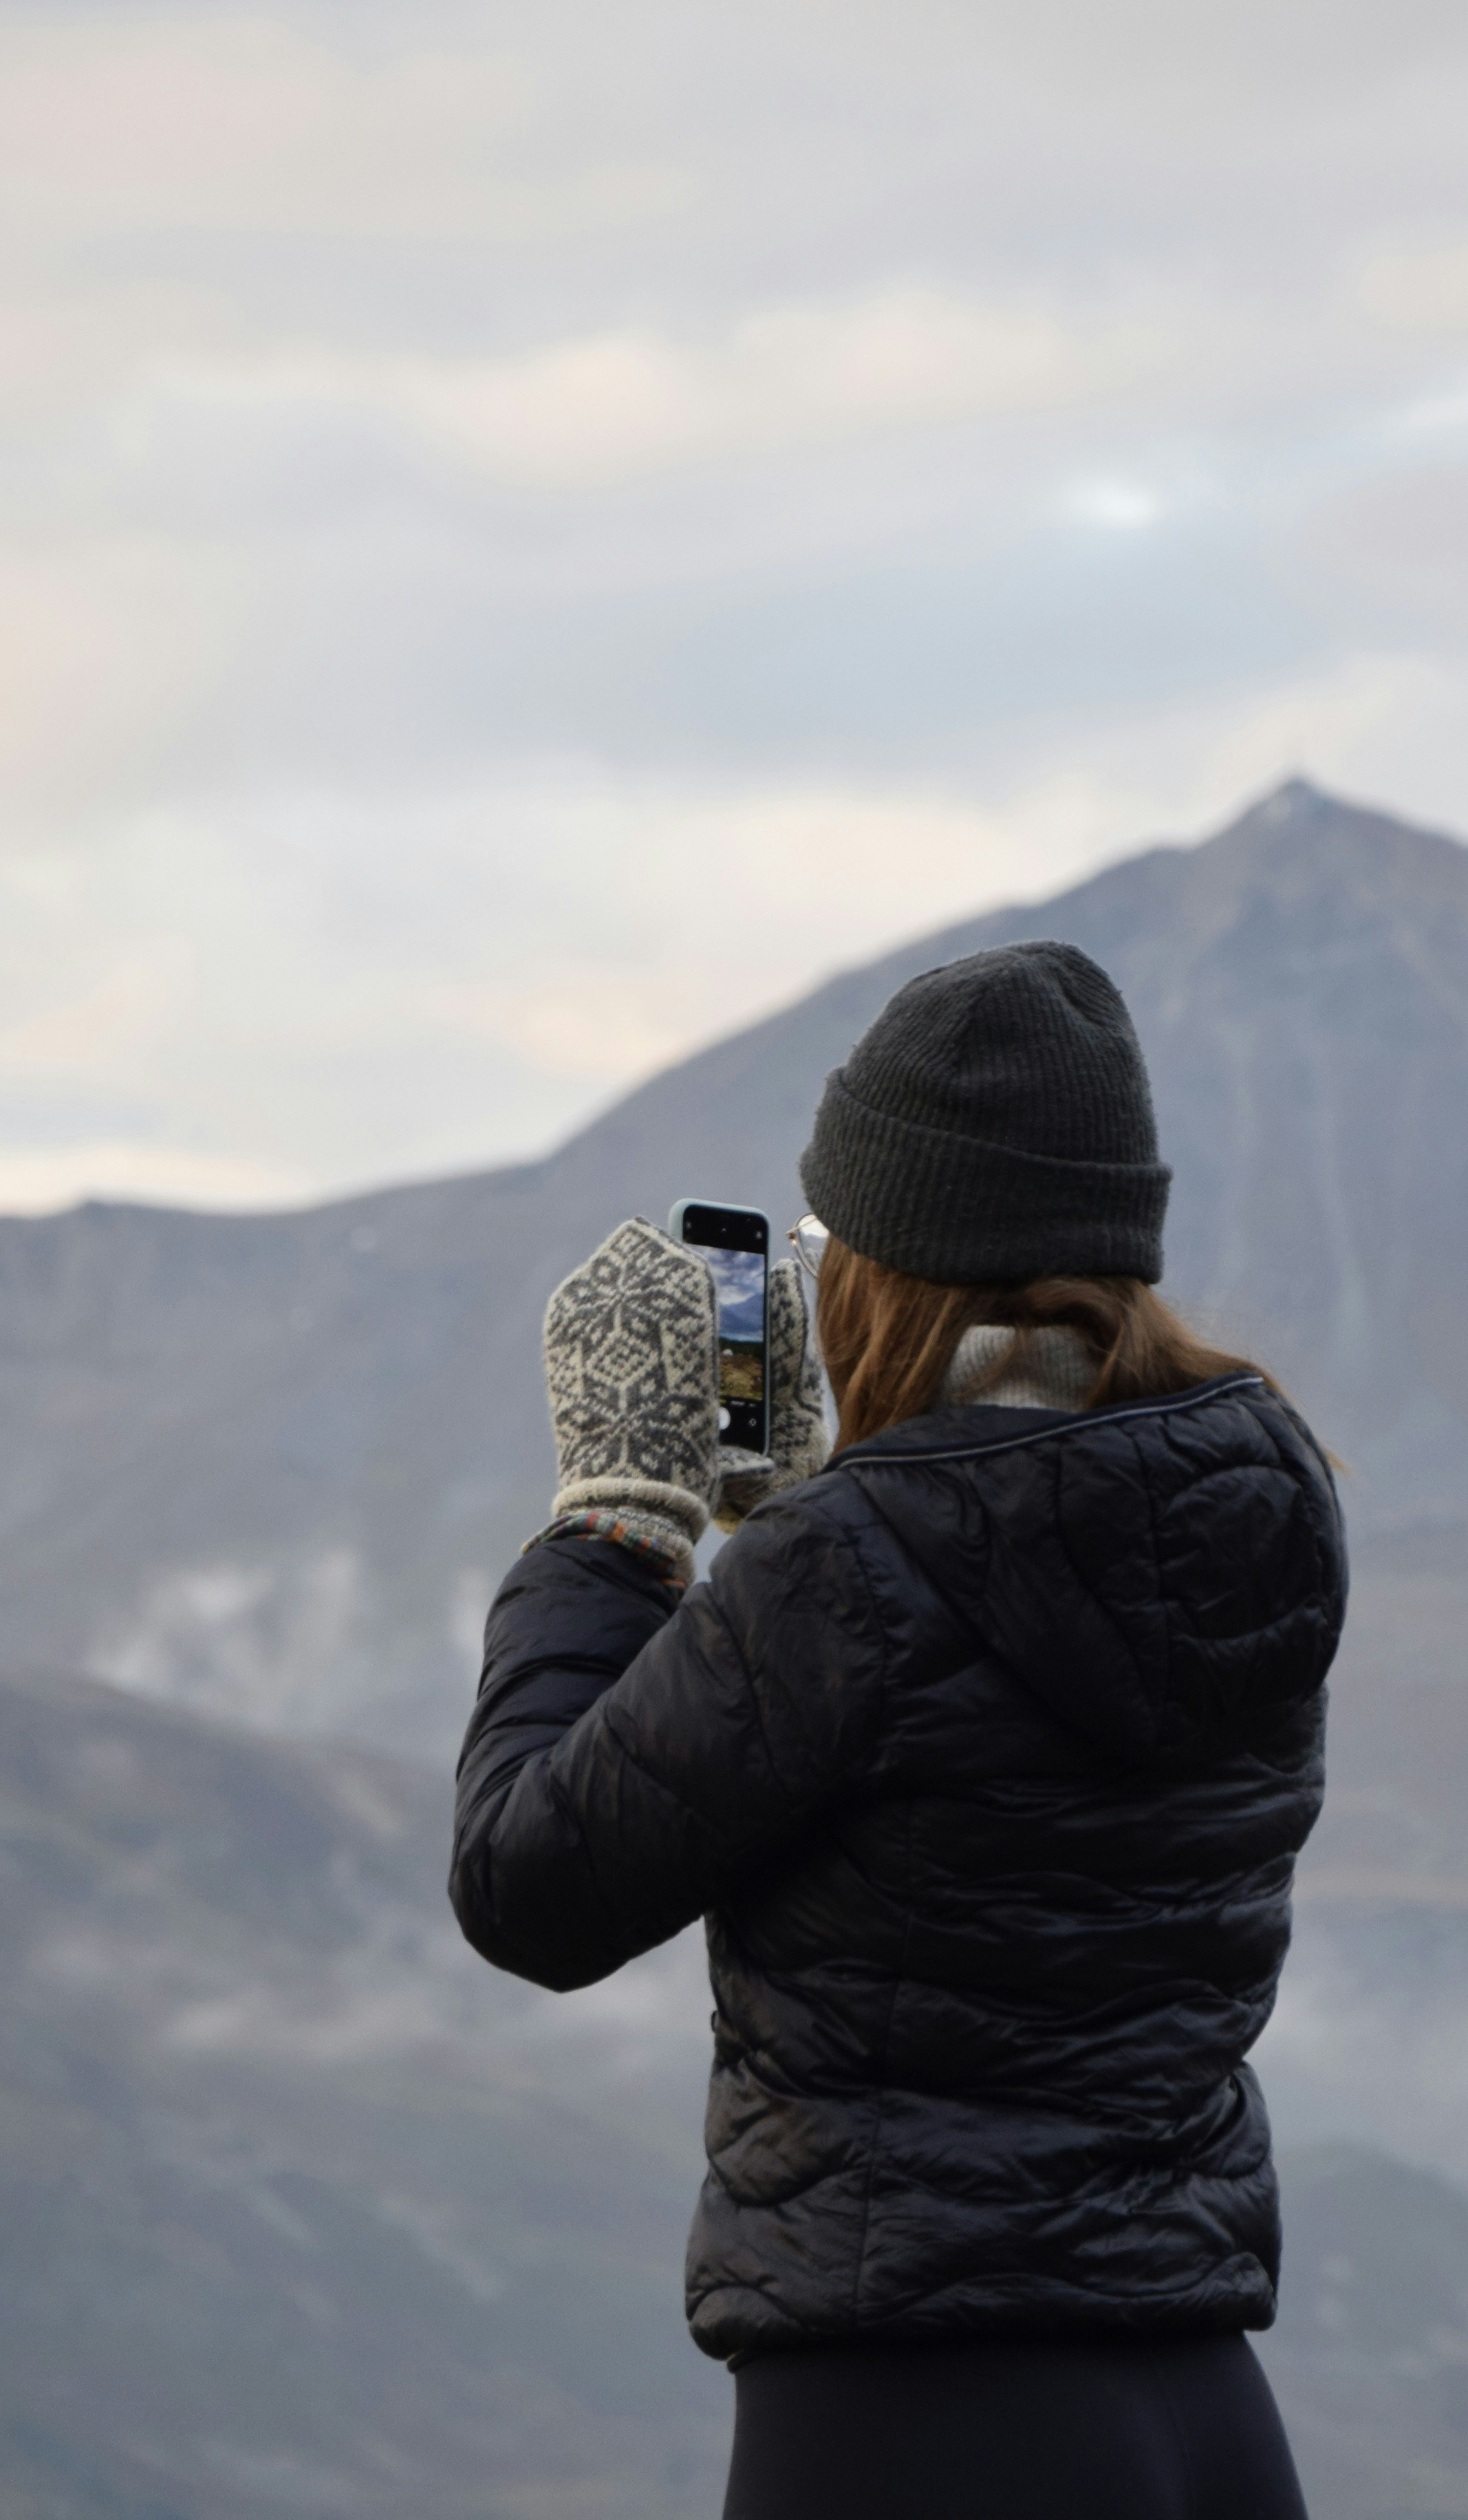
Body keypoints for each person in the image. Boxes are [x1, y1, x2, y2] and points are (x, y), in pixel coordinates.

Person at [451, 942, 1345, 2520]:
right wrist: (823, 1508)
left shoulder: (853, 1568)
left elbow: (533, 1884)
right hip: (1198, 2402)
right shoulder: (1253, 1505)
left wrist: (621, 1527)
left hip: (911, 2411)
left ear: (887, 1259)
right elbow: (996, 1657)